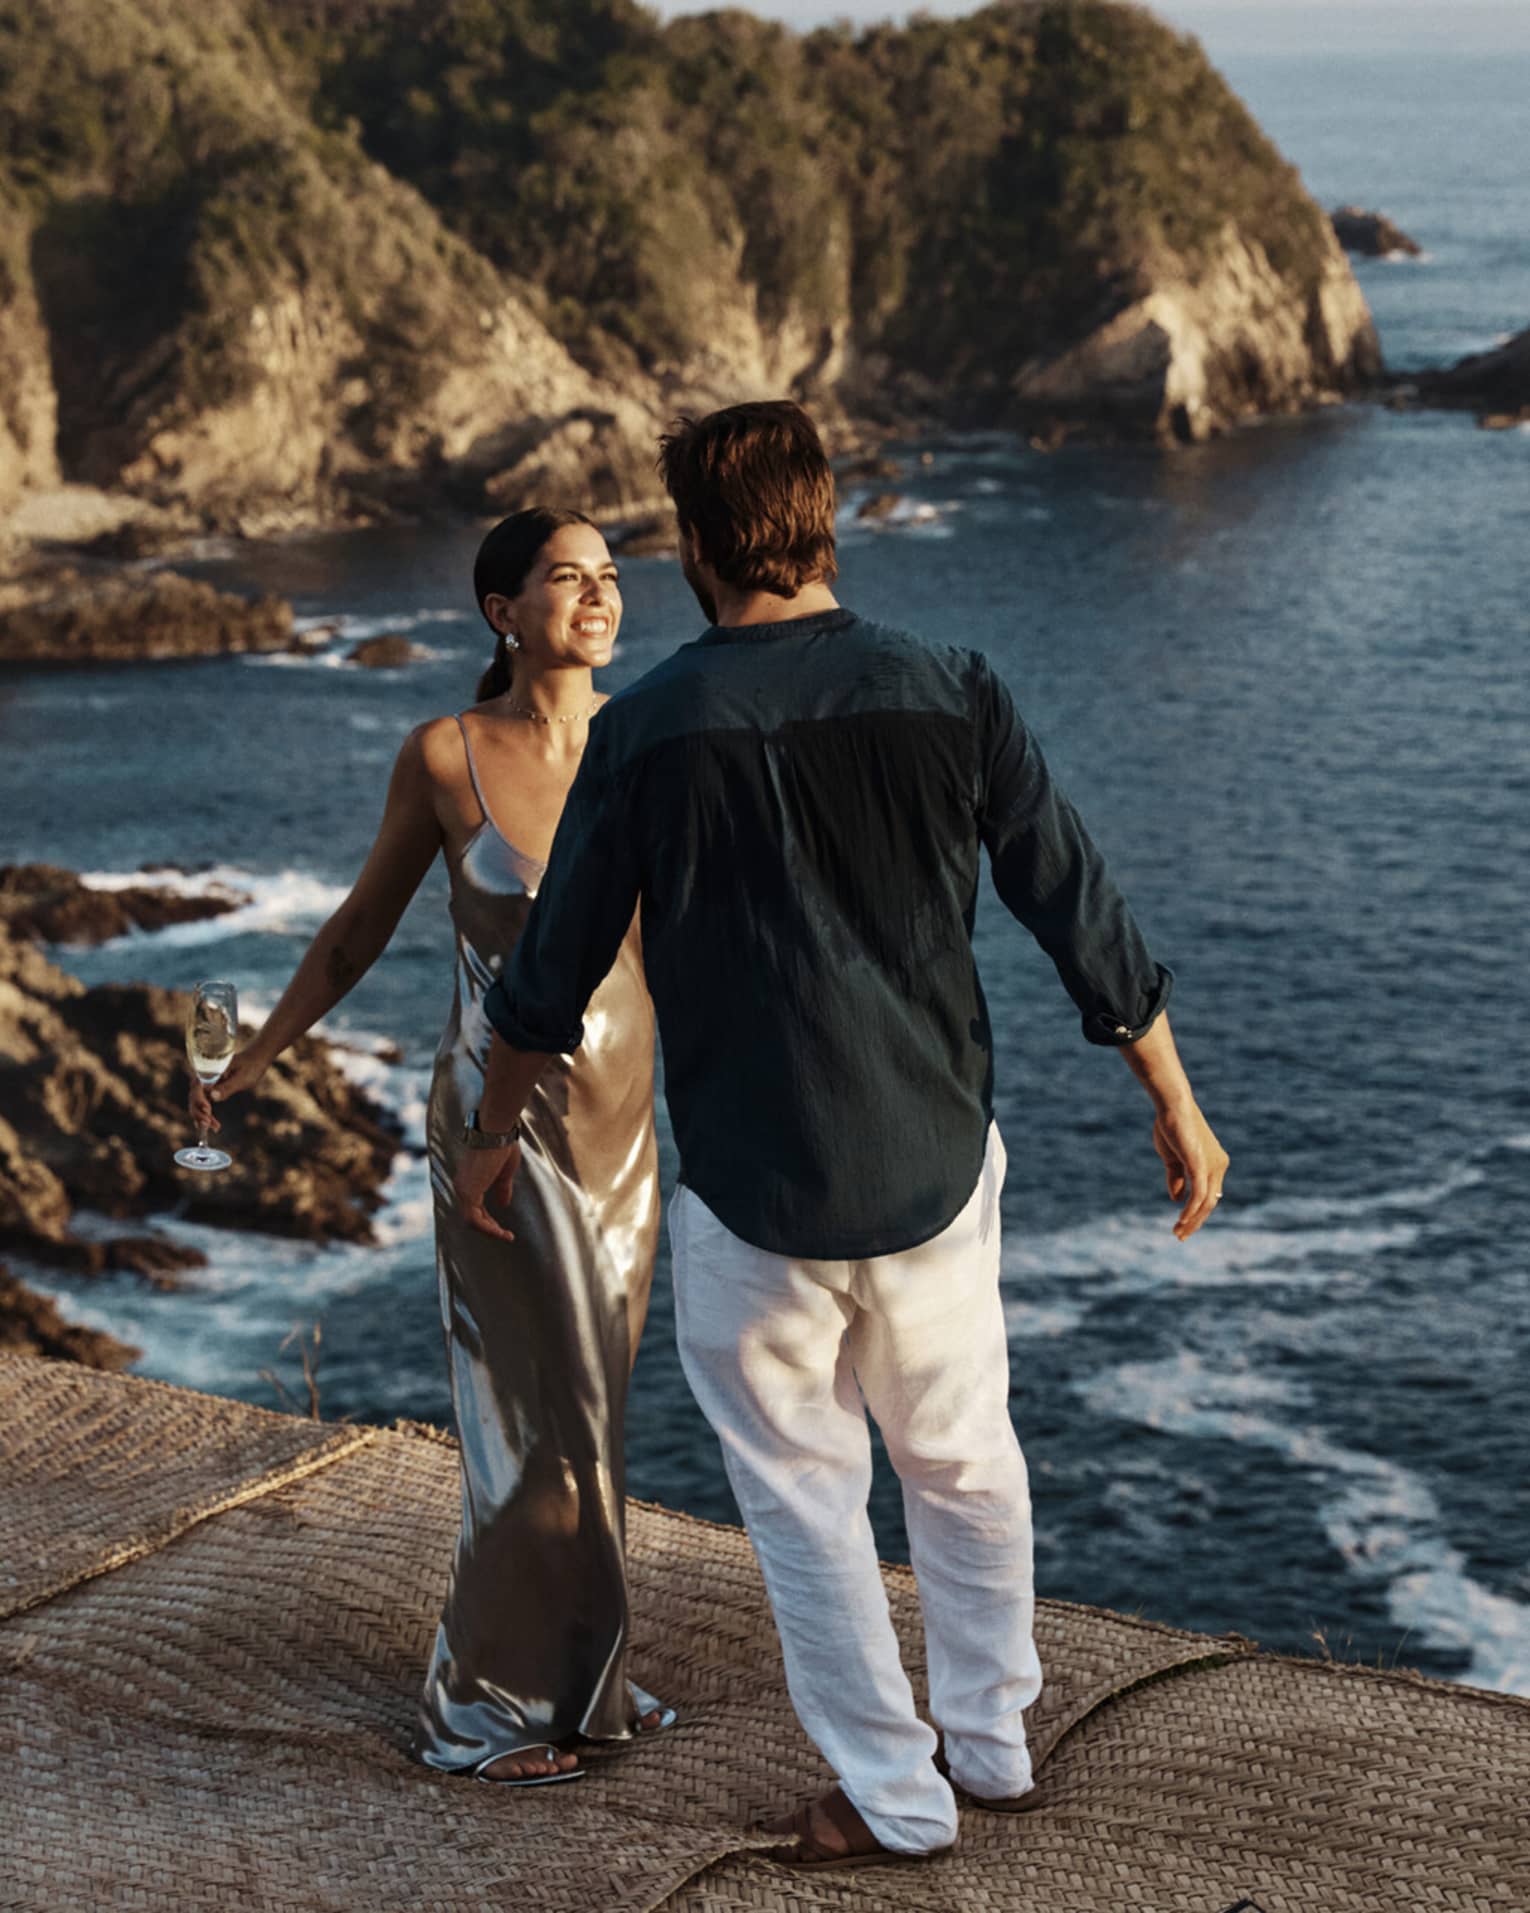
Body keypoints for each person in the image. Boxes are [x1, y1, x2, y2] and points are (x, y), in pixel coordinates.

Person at [455, 402, 1229, 1863]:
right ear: (825, 519)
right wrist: (1172, 1099)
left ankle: (893, 1798)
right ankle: (992, 1747)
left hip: (755, 1192)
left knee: (807, 1503)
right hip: (933, 1169)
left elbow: (545, 978)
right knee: (963, 1459)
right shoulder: (952, 688)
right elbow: (1076, 905)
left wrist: (494, 1136)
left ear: (692, 542)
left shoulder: (642, 731)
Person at [188, 507, 673, 1786]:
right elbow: (354, 933)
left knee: (595, 1413)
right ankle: (489, 1704)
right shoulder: (446, 755)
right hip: (495, 1130)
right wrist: (257, 1058)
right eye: (564, 577)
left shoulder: (659, 736)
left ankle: (589, 1678)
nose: (595, 595)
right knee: (523, 1415)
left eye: (609, 577)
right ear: (501, 609)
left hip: (627, 1132)